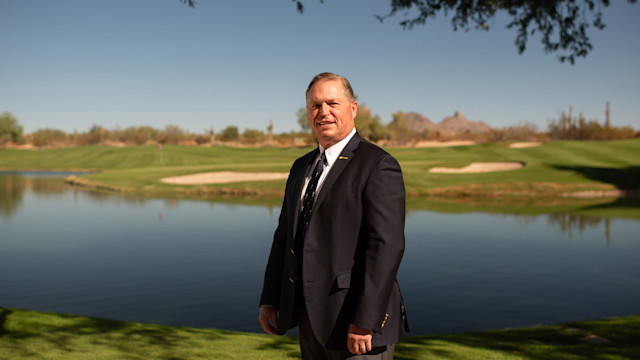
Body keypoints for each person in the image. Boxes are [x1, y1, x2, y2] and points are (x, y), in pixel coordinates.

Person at [259, 72, 409, 359]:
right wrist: (270, 299)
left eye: (332, 103)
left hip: (357, 326)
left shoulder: (378, 164)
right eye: (315, 105)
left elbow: (385, 247)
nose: (323, 112)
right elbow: (284, 237)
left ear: (353, 108)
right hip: (309, 319)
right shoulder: (301, 167)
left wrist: (365, 320)